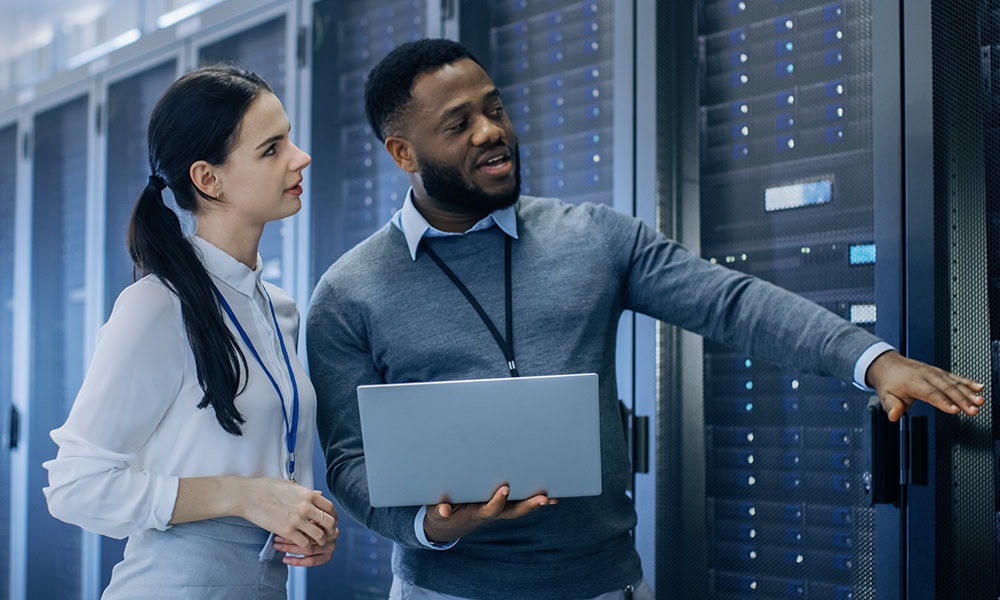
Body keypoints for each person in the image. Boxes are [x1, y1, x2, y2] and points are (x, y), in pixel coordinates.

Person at [305, 39, 985, 600]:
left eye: (495, 109)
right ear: (402, 154)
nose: (492, 133)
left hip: (603, 585)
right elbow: (348, 461)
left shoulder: (594, 238)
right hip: (444, 591)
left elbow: (732, 303)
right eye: (459, 125)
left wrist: (871, 360)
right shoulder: (348, 293)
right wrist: (430, 525)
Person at [43, 64, 338, 599]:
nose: (300, 157)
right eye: (272, 149)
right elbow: (75, 488)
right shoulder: (156, 308)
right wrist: (240, 497)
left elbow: (265, 466)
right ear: (208, 178)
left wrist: (299, 522)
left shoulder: (279, 309)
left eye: (289, 139)